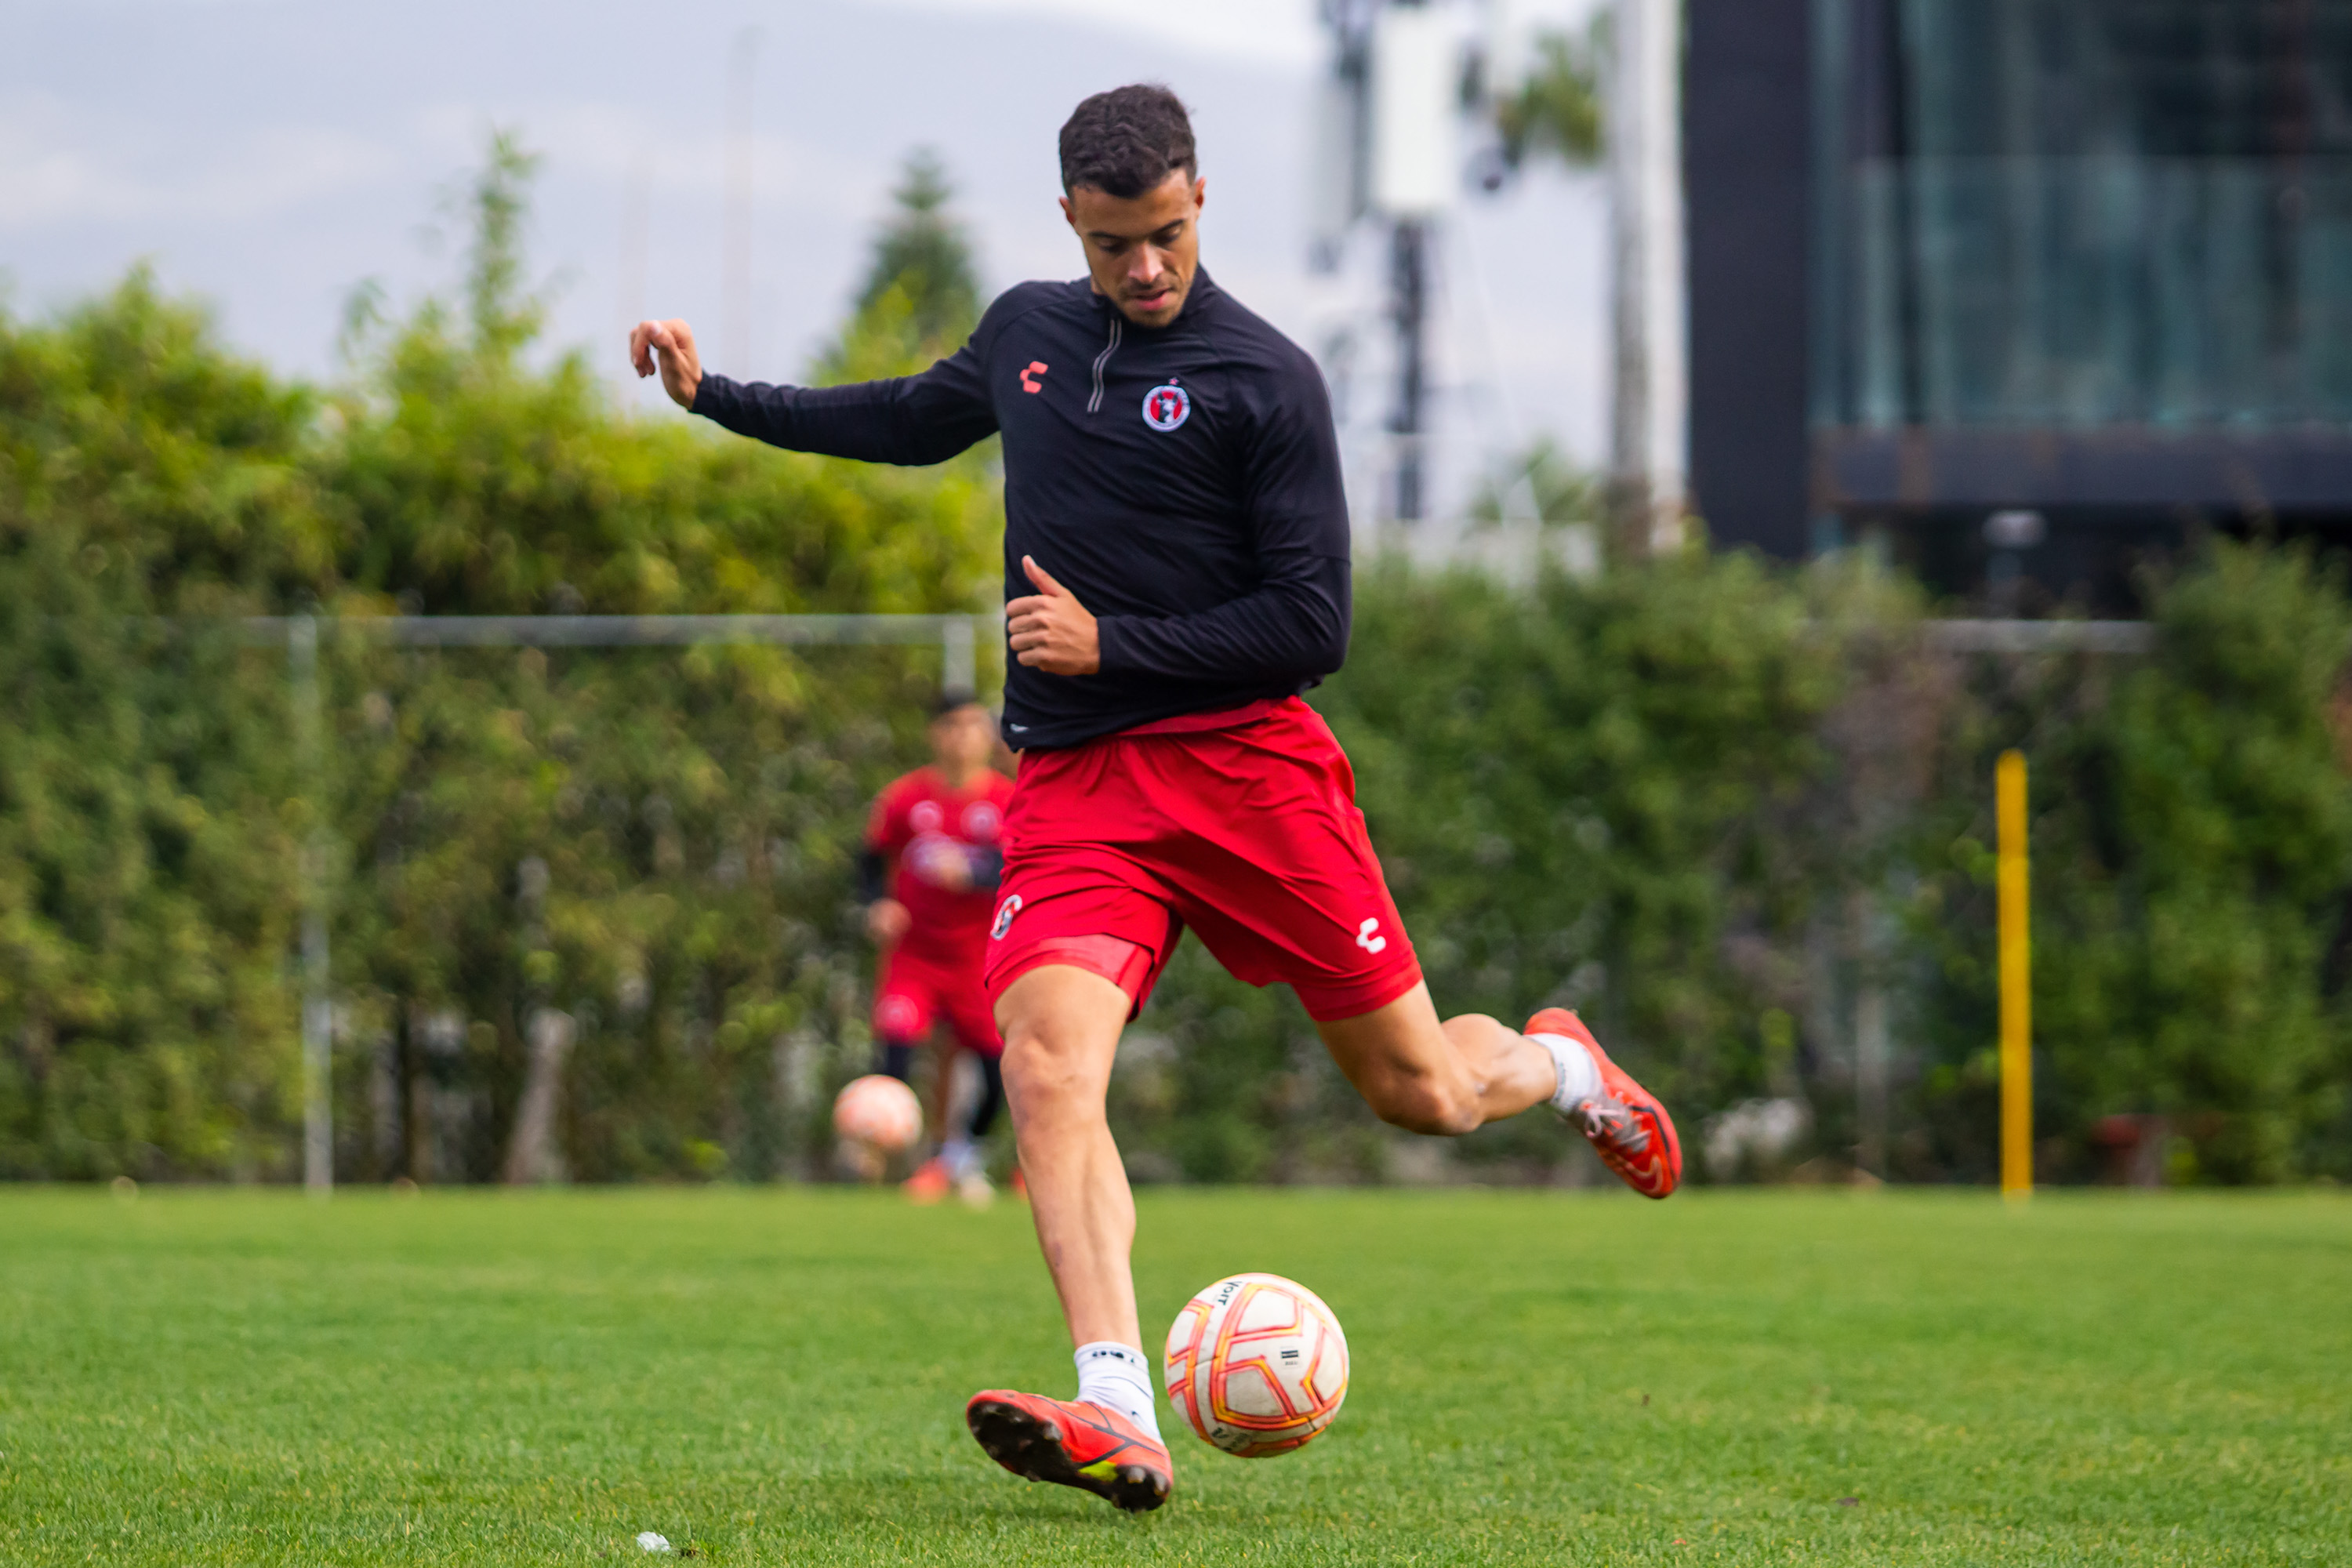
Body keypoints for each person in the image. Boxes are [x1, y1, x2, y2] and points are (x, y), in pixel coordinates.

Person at [632, 83, 1681, 1515]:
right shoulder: (1027, 336)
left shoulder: (1268, 379)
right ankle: (1118, 1403)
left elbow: (1311, 626)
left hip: (1252, 772)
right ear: (1071, 216)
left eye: (1171, 235)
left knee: (1423, 1091)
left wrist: (1114, 643)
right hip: (1076, 785)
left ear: (1201, 202)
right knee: (1051, 1067)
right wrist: (717, 399)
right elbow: (900, 419)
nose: (1147, 268)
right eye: (1119, 241)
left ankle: (1561, 1067)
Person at [859, 694, 1018, 1206]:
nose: (963, 736)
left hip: (980, 958)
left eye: (973, 727)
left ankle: (960, 1157)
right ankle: (898, 1164)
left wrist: (971, 872)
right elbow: (867, 860)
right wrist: (876, 905)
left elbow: (1025, 865)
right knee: (896, 1054)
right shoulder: (905, 798)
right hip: (915, 957)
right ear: (935, 734)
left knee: (999, 1072)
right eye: (951, 727)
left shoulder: (1008, 800)